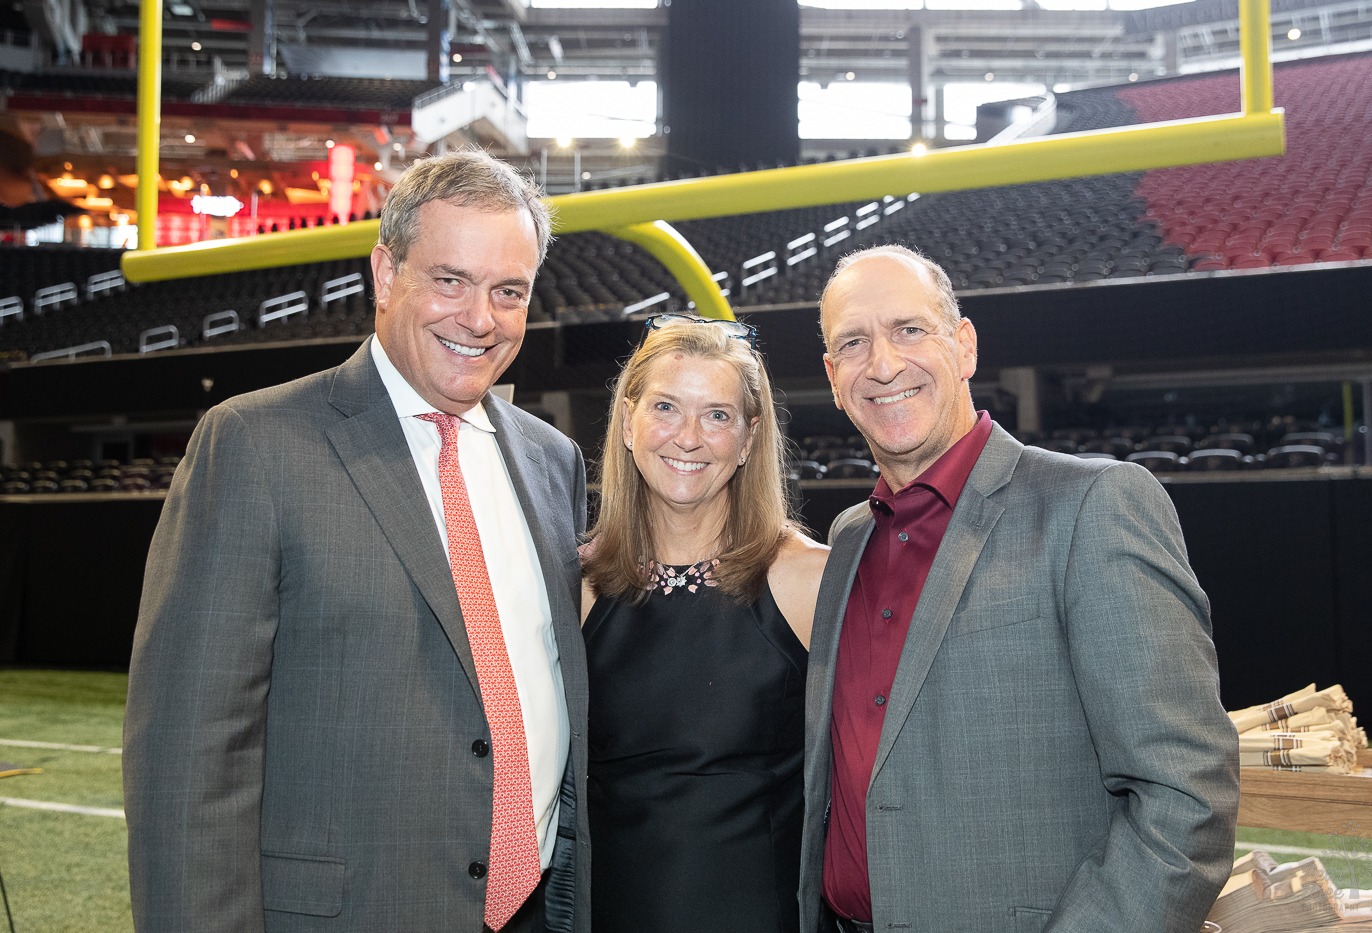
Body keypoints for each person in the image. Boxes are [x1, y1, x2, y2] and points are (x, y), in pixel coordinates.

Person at [124, 150, 591, 933]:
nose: (479, 317)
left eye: (507, 291)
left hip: (536, 911)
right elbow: (187, 756)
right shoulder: (254, 443)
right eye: (450, 279)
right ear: (384, 272)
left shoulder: (552, 459)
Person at [799, 245, 1240, 933]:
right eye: (853, 342)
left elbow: (1186, 793)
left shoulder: (1092, 504)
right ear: (832, 376)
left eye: (909, 329)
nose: (882, 363)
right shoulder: (850, 537)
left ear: (965, 345)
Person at [580, 313, 829, 933]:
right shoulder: (575, 587)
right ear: (629, 426)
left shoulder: (809, 581)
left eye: (717, 415)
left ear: (748, 441)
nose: (688, 437)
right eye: (665, 407)